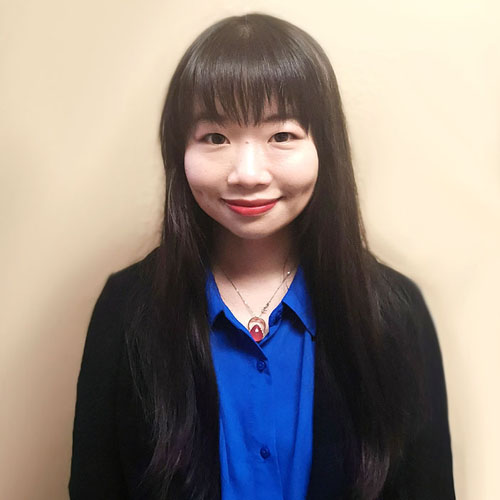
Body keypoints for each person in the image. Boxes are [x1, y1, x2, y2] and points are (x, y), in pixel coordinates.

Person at [69, 13, 455, 500]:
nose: (248, 174)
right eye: (215, 137)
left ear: (325, 148)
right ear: (178, 150)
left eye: (282, 136)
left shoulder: (395, 311)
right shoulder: (126, 309)